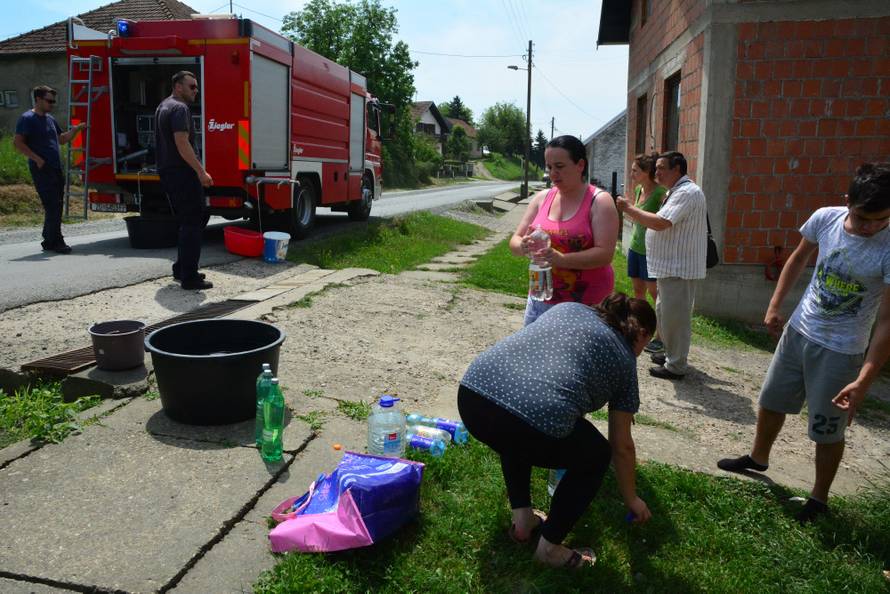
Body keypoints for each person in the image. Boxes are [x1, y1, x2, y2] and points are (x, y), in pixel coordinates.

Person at [718, 163, 890, 524]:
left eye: (880, 220)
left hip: (842, 350)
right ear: (848, 202)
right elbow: (798, 258)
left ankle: (819, 498)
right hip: (799, 330)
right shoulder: (826, 218)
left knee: (827, 427)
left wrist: (864, 379)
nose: (869, 227)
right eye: (862, 218)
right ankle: (757, 458)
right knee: (771, 400)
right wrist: (775, 305)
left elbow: (887, 321)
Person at [458, 293, 655, 569]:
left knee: (519, 418)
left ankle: (523, 521)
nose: (640, 353)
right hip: (521, 415)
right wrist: (631, 498)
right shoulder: (625, 359)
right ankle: (549, 549)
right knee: (596, 454)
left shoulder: (569, 309)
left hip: (473, 395)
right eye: (644, 346)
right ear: (642, 333)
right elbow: (621, 445)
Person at [616, 151, 707, 380]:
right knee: (665, 313)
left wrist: (628, 208)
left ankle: (676, 365)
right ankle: (669, 354)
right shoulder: (676, 191)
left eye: (661, 168)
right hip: (669, 267)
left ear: (677, 169)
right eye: (655, 168)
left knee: (676, 319)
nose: (657, 173)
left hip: (679, 268)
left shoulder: (686, 192)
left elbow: (661, 222)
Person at [509, 135, 619, 326]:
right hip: (540, 297)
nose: (553, 173)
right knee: (536, 354)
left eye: (559, 166)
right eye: (549, 167)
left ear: (580, 165)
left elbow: (605, 254)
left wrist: (562, 260)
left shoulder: (600, 201)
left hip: (586, 305)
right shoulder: (542, 198)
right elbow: (515, 240)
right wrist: (523, 246)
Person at [155, 70, 213, 290]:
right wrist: (201, 171)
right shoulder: (180, 108)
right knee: (193, 222)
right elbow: (182, 142)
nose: (196, 91)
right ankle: (190, 277)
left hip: (169, 171)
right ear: (178, 86)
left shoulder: (163, 105)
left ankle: (181, 268)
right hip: (182, 172)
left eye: (196, 87)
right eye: (192, 86)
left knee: (187, 221)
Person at [13, 85, 86, 254]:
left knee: (56, 204)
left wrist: (75, 130)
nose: (52, 104)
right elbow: (18, 142)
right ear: (38, 99)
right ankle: (57, 241)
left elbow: (61, 139)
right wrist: (37, 159)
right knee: (52, 204)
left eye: (53, 101)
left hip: (55, 167)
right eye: (49, 101)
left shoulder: (50, 119)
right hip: (42, 168)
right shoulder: (27, 118)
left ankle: (48, 239)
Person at [626, 152, 667, 353]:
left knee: (655, 292)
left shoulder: (661, 193)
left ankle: (660, 334)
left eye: (635, 170)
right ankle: (641, 329)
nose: (631, 173)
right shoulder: (639, 189)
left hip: (651, 251)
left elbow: (661, 221)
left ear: (647, 172)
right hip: (635, 247)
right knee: (638, 291)